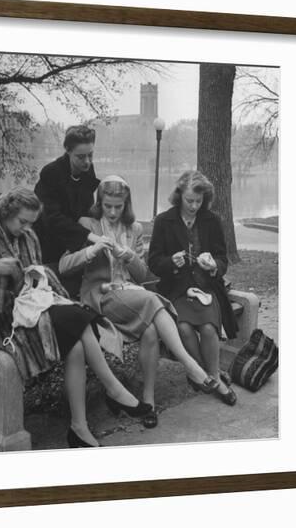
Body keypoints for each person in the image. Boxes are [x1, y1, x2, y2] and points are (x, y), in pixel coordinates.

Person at [0, 187, 151, 449]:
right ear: (6, 213)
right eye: (22, 221)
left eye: (31, 222)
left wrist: (38, 280)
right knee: (78, 317)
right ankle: (113, 388)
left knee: (76, 343)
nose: (26, 228)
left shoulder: (28, 237)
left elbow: (36, 275)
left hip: (32, 310)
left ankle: (79, 427)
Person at [58, 176, 219, 428]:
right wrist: (91, 250)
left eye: (118, 206)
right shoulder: (87, 225)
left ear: (126, 204)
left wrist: (130, 256)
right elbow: (63, 266)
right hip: (100, 296)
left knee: (152, 331)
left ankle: (148, 401)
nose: (112, 212)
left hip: (130, 297)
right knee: (151, 300)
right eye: (107, 205)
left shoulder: (134, 230)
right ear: (99, 203)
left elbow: (143, 274)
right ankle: (191, 365)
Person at [147, 170, 238, 406]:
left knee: (208, 329)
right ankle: (207, 376)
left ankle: (213, 377)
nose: (194, 206)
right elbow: (154, 262)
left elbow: (222, 259)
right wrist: (170, 262)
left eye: (198, 201)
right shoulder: (164, 221)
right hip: (176, 289)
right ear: (179, 196)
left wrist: (213, 265)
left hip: (206, 288)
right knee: (185, 329)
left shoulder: (212, 220)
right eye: (189, 200)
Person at [33, 125, 113, 268]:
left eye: (90, 155)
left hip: (75, 244)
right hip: (48, 243)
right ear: (68, 151)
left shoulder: (87, 170)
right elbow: (51, 217)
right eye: (81, 157)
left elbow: (86, 208)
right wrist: (88, 235)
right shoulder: (51, 173)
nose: (87, 161)